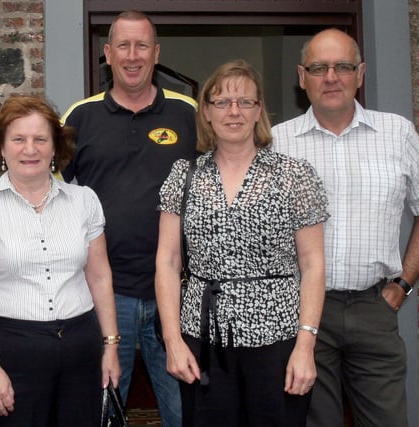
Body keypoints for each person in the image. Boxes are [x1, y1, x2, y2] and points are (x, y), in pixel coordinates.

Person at [272, 28, 419, 426]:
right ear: (301, 76)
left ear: (360, 74)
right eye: (319, 67)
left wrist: (402, 286)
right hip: (304, 314)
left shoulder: (397, 134)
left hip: (375, 307)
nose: (331, 77)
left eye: (343, 66)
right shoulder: (276, 143)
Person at [155, 59, 329, 426]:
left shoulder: (294, 176)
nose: (233, 111)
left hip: (278, 341)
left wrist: (306, 345)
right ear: (206, 111)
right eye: (222, 102)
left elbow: (312, 265)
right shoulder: (182, 176)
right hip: (202, 341)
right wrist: (173, 341)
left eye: (244, 102)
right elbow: (168, 262)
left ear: (258, 110)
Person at [60, 10, 197, 426]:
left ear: (156, 54)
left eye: (142, 46)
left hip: (177, 291)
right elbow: (49, 194)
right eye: (123, 45)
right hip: (105, 293)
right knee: (105, 410)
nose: (132, 56)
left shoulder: (189, 113)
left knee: (184, 410)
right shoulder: (78, 118)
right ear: (107, 53)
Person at [0, 95, 120, 427]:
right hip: (10, 352)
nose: (30, 149)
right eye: (18, 139)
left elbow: (99, 277)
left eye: (40, 139)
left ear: (55, 148)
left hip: (81, 349)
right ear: (3, 148)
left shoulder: (85, 201)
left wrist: (110, 345)